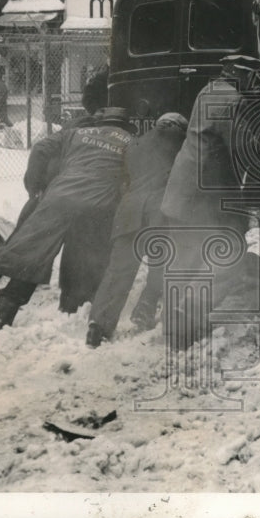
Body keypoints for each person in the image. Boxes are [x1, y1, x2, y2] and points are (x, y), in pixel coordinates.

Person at [158, 55, 260, 351]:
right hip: (202, 198)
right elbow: (244, 147)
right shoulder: (229, 99)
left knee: (184, 259)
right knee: (231, 255)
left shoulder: (209, 90)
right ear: (241, 75)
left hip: (182, 192)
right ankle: (190, 315)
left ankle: (173, 330)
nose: (257, 84)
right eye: (255, 77)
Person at [0, 105, 136, 340]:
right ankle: (72, 312)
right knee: (85, 258)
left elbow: (40, 148)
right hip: (98, 206)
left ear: (102, 122)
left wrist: (35, 187)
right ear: (125, 125)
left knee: (30, 259)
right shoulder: (131, 142)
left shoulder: (75, 133)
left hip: (58, 199)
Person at [0, 68, 111, 307]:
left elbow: (41, 150)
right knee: (27, 244)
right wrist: (35, 189)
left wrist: (35, 189)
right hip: (53, 194)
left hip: (47, 192)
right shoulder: (95, 129)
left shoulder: (74, 125)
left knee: (18, 243)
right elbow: (42, 150)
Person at [85, 112, 189, 347]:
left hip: (129, 212)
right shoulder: (182, 143)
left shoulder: (134, 145)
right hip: (160, 212)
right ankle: (145, 309)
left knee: (118, 271)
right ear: (180, 128)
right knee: (161, 264)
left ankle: (98, 325)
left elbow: (124, 180)